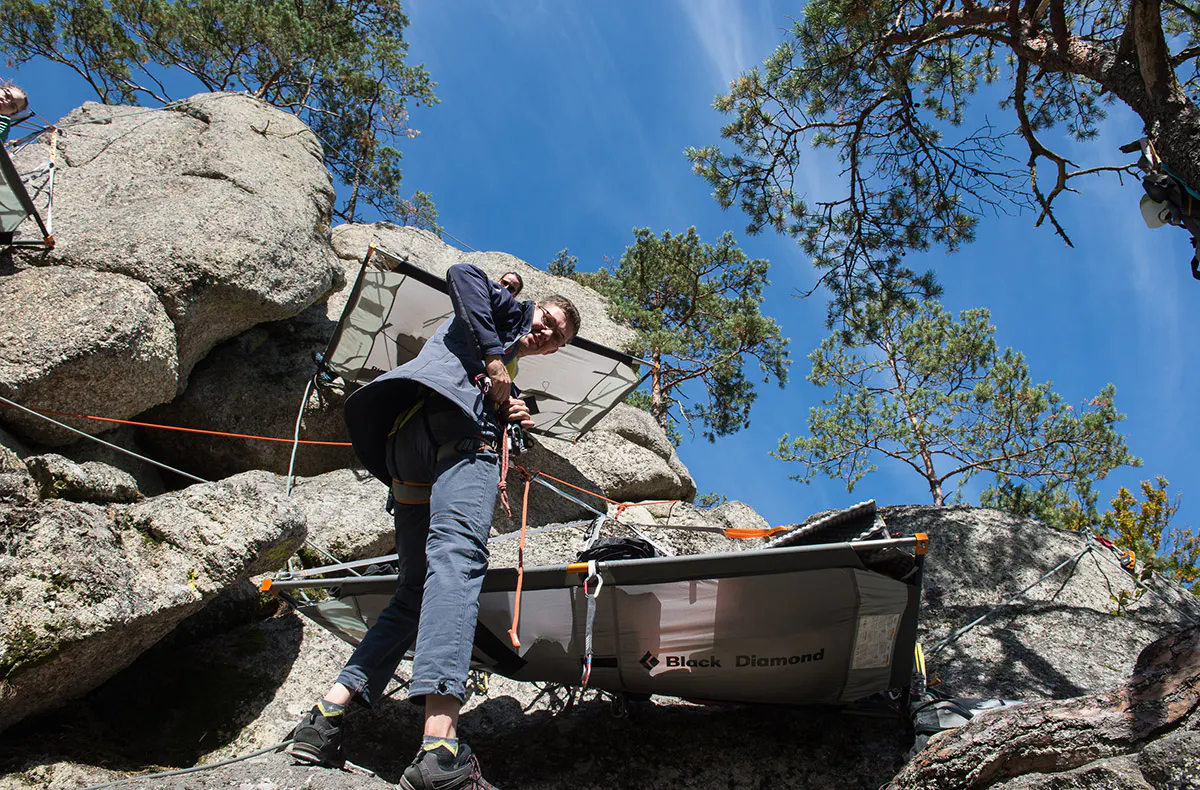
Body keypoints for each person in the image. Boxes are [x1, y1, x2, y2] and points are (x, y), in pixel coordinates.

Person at [289, 262, 580, 790]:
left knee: (414, 591)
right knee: (457, 563)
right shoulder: (505, 314)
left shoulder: (505, 357)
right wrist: (497, 357)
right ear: (534, 309)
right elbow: (463, 274)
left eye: (557, 336)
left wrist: (511, 405)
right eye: (548, 320)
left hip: (407, 445)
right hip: (459, 438)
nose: (547, 332)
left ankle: (326, 716)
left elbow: (482, 365)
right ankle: (439, 750)